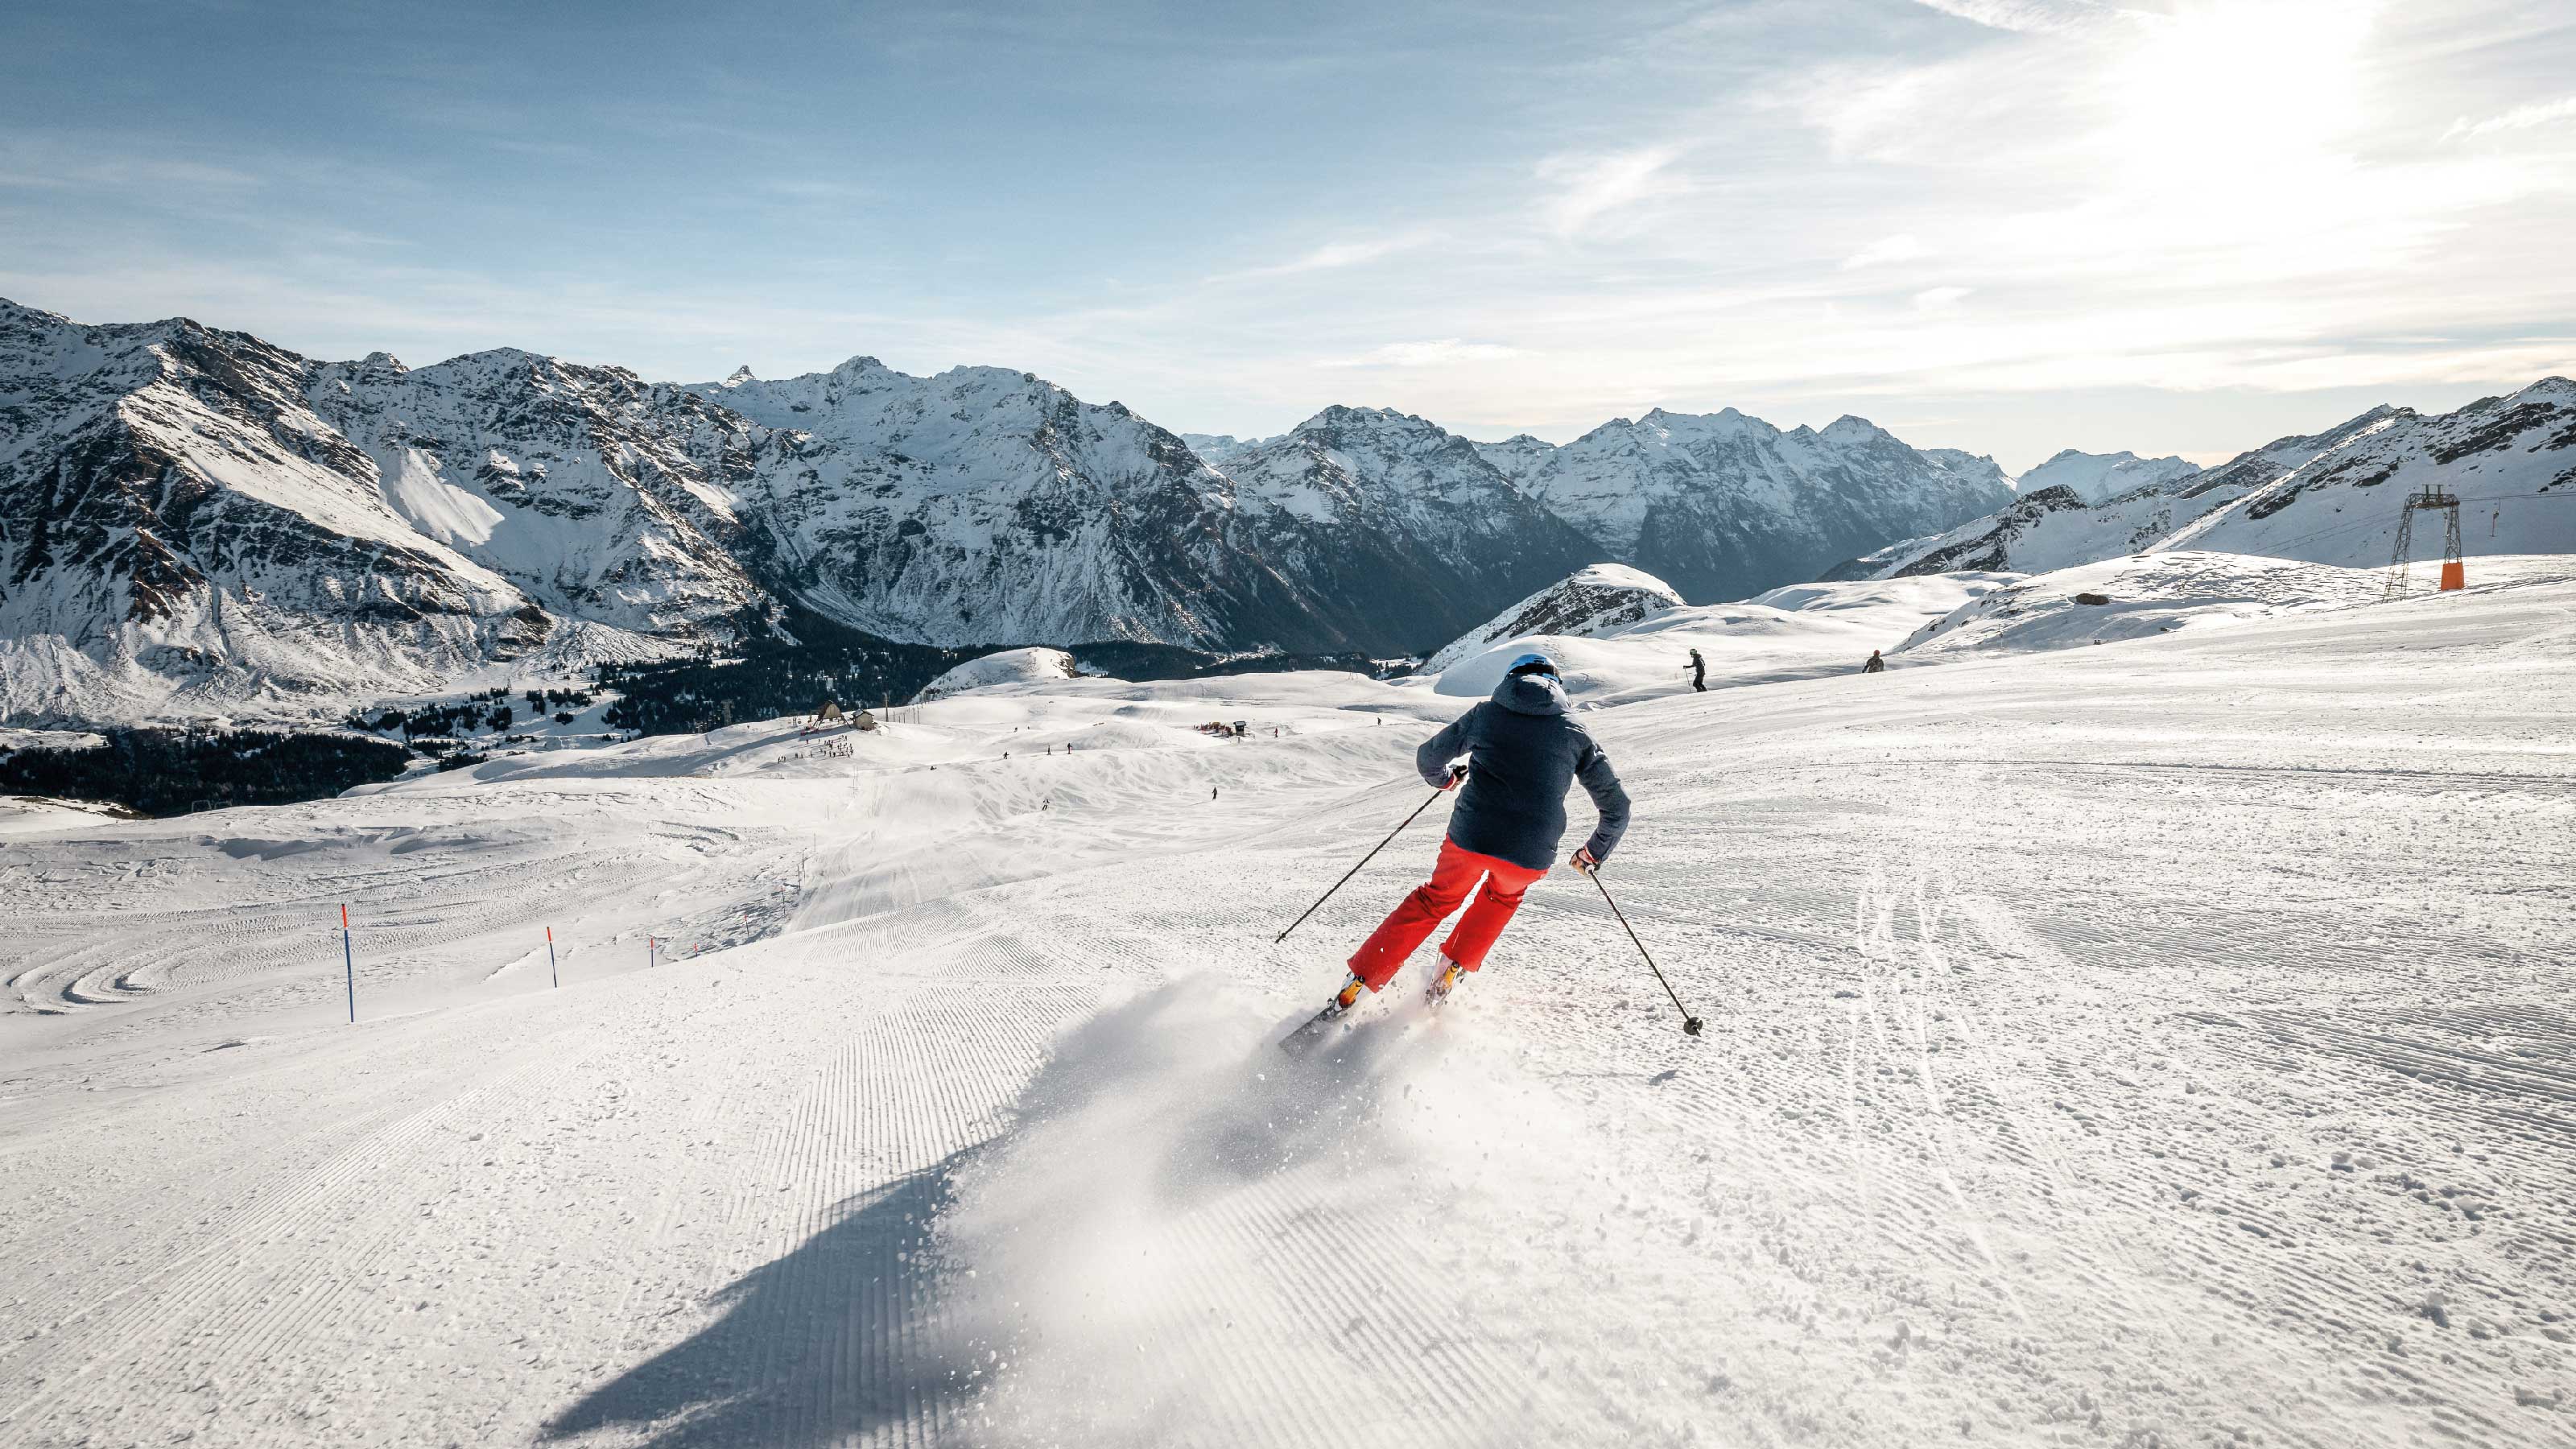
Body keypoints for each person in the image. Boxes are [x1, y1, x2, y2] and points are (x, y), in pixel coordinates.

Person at [1307, 651, 1630, 1027]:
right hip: (1530, 850)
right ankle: (1449, 970)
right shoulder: (1576, 733)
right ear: (1558, 686)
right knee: (1501, 898)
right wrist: (1592, 852)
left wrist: (1446, 780)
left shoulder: (1487, 714)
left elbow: (1428, 758)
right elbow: (1617, 807)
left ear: (1509, 680)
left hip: (1471, 836)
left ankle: (1360, 981)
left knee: (1434, 901)